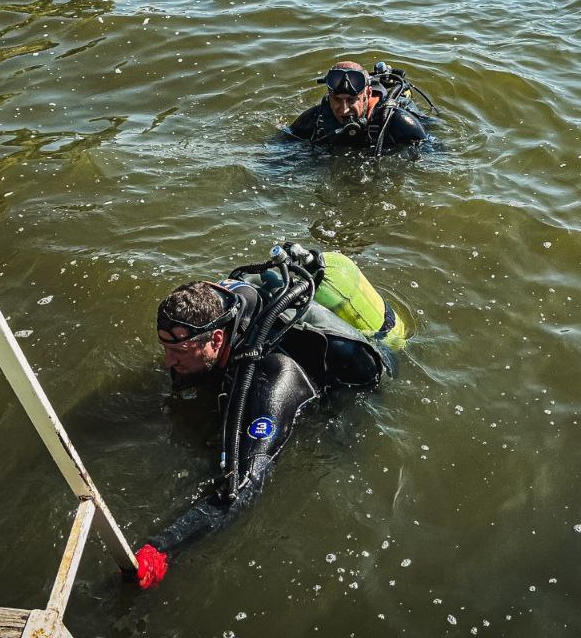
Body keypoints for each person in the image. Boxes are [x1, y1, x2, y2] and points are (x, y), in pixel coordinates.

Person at [128, 245, 395, 589]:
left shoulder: (272, 378)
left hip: (345, 386)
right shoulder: (218, 305)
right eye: (166, 349)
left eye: (178, 352)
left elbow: (247, 482)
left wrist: (163, 548)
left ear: (217, 340)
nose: (168, 362)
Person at [287, 60, 432, 153]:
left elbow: (432, 153)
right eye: (337, 100)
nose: (344, 109)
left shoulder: (396, 120)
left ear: (368, 94)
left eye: (351, 100)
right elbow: (283, 144)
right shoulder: (317, 118)